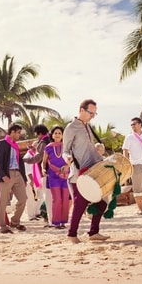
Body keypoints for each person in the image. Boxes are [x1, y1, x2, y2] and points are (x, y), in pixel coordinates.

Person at [62, 99, 110, 244]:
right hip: (79, 172)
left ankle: (93, 232)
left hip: (93, 171)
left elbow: (87, 148)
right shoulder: (70, 128)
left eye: (95, 114)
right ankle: (71, 234)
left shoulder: (88, 127)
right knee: (80, 203)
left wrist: (100, 153)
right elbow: (65, 151)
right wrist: (67, 158)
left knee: (102, 203)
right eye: (91, 113)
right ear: (81, 110)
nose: (93, 116)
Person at [0, 124, 28, 234]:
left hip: (18, 174)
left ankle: (14, 221)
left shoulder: (16, 145)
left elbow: (20, 162)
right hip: (6, 174)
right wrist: (3, 175)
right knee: (3, 201)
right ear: (12, 132)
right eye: (18, 132)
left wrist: (24, 178)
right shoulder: (1, 143)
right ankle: (2, 226)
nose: (19, 135)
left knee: (23, 199)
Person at [123, 117, 142, 215]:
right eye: (131, 125)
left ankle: (141, 207)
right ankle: (140, 209)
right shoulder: (129, 137)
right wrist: (126, 164)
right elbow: (125, 151)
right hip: (135, 165)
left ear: (140, 124)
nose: (133, 126)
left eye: (134, 124)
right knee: (137, 189)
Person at [42, 126, 71, 229]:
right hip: (53, 176)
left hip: (65, 175)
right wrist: (43, 169)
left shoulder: (67, 147)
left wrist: (67, 166)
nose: (57, 134)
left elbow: (71, 159)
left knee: (65, 199)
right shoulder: (48, 147)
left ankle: (63, 222)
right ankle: (56, 222)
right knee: (57, 199)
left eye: (59, 133)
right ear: (52, 135)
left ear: (63, 135)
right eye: (56, 133)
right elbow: (44, 161)